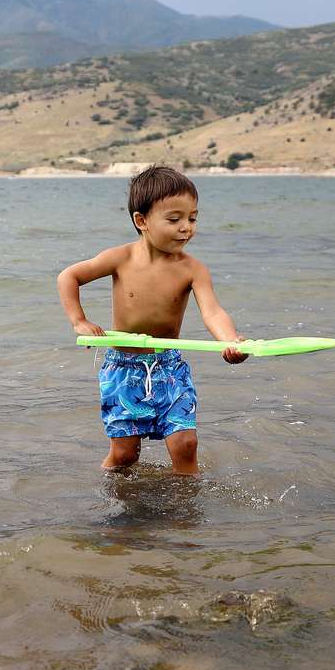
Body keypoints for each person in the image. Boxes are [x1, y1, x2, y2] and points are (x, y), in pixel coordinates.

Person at [56, 166, 248, 476]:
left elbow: (212, 311)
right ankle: (107, 494)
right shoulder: (120, 258)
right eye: (174, 219)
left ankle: (186, 513)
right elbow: (69, 276)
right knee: (125, 455)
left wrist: (230, 340)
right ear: (141, 221)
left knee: (185, 445)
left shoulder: (193, 269)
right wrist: (79, 320)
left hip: (170, 368)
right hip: (123, 367)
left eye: (193, 218)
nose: (186, 227)